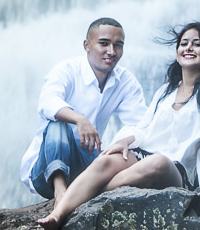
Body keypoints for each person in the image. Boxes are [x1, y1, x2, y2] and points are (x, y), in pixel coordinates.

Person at [36, 22, 200, 230]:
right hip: (144, 155)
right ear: (177, 52)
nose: (188, 48)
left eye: (197, 44)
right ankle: (58, 214)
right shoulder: (166, 92)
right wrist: (125, 141)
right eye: (184, 43)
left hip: (176, 170)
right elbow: (144, 129)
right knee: (106, 159)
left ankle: (84, 196)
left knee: (157, 161)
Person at [20, 18, 149, 203]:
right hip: (44, 170)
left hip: (85, 169)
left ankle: (77, 191)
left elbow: (142, 123)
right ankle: (60, 192)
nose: (111, 52)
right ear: (87, 45)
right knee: (58, 124)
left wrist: (123, 141)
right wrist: (79, 119)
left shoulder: (125, 81)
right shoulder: (67, 70)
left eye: (118, 45)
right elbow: (47, 102)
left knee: (123, 154)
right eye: (104, 44)